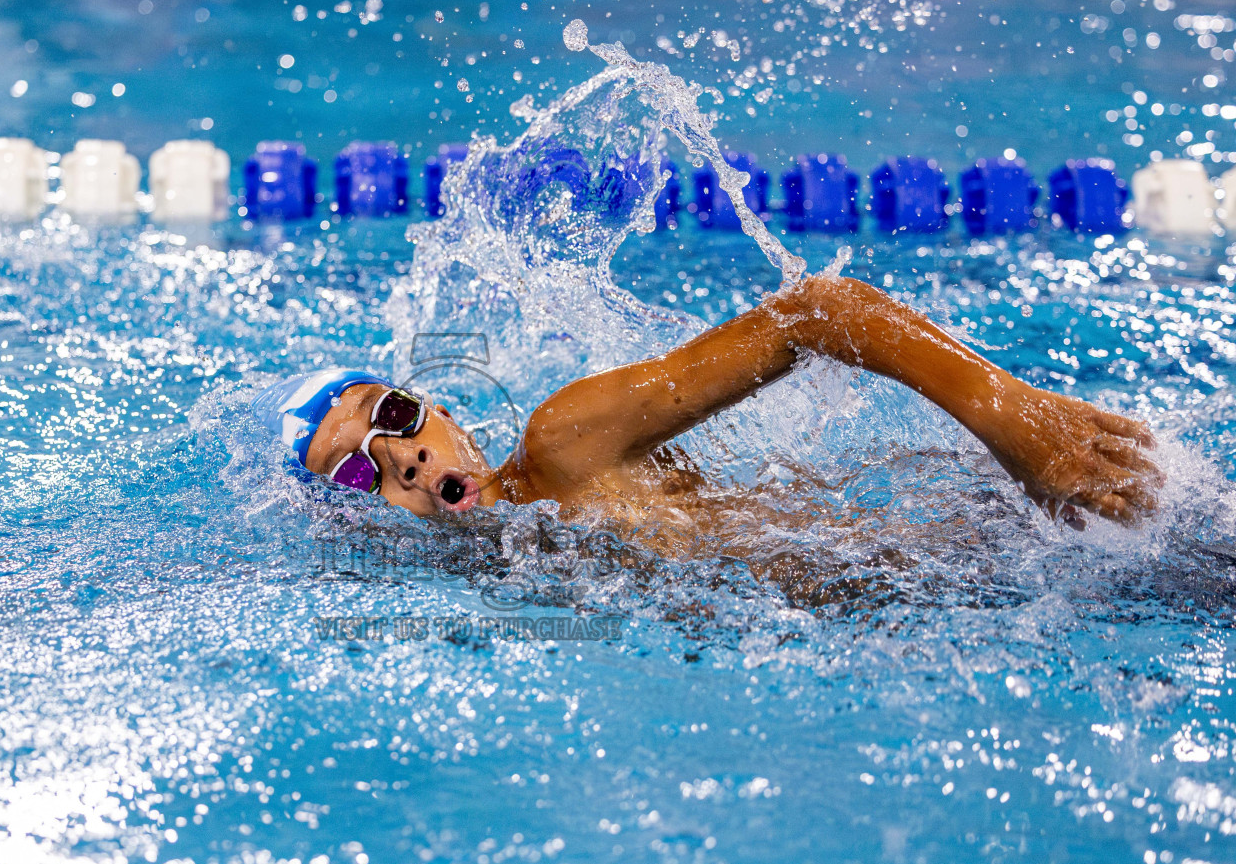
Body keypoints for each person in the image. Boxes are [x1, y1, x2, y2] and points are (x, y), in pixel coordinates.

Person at [252, 275, 1160, 551]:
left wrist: (1014, 420)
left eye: (395, 417)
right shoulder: (495, 569)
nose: (401, 458)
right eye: (360, 469)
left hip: (1027, 549)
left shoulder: (564, 443)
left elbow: (823, 312)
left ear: (442, 411)